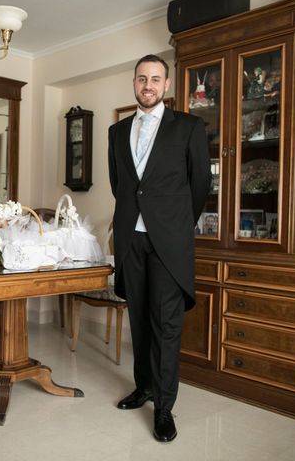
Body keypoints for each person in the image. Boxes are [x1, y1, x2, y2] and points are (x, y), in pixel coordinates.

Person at [108, 54, 211, 442]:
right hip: (130, 238)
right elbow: (122, 185)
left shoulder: (188, 127)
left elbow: (199, 185)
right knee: (138, 318)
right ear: (134, 84)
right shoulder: (116, 132)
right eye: (141, 78)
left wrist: (175, 223)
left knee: (166, 325)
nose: (147, 85)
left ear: (167, 85)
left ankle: (164, 407)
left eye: (155, 78)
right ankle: (145, 386)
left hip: (169, 241)